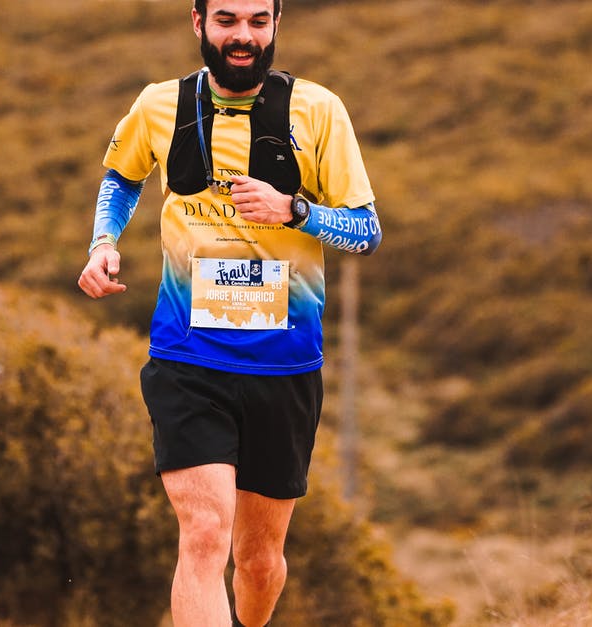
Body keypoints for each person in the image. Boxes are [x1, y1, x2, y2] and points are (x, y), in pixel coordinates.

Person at [78, 0, 381, 625]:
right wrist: (103, 243)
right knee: (205, 534)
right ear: (198, 24)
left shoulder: (319, 110)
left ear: (275, 25)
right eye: (226, 21)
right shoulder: (161, 104)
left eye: (257, 22)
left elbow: (366, 232)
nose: (242, 37)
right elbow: (122, 175)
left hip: (284, 368)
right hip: (189, 361)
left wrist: (296, 212)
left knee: (258, 558)